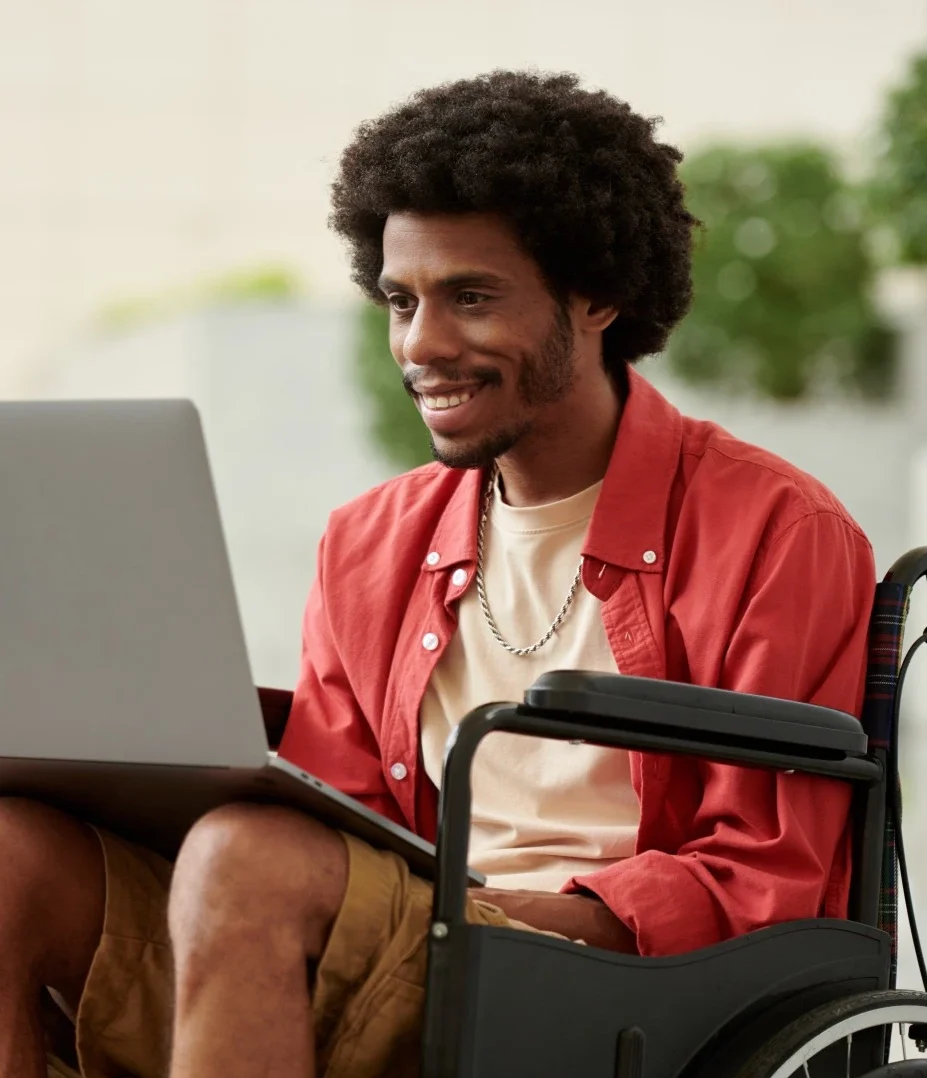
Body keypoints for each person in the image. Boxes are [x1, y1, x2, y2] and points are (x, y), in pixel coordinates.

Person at [0, 70, 875, 1078]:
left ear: (598, 296)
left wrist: (497, 915)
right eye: (401, 301)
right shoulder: (372, 538)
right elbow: (343, 813)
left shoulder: (777, 530)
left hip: (611, 989)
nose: (421, 345)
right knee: (14, 849)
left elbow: (765, 872)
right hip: (386, 944)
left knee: (248, 860)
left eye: (470, 296)